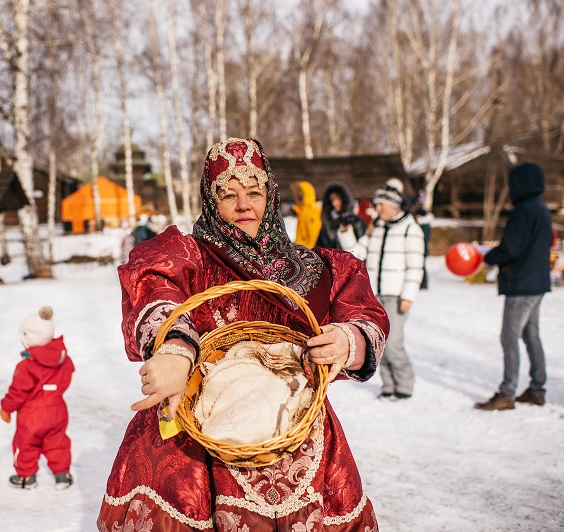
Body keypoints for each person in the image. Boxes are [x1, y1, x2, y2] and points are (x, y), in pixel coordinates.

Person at [98, 138, 389, 530]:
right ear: (209, 199)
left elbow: (365, 313)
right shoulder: (190, 256)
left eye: (254, 192)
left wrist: (347, 339)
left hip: (295, 427)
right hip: (197, 426)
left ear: (270, 195)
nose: (243, 205)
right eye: (227, 194)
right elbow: (155, 285)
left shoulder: (321, 266)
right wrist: (174, 349)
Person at [337, 178, 425, 400]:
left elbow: (416, 265)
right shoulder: (376, 227)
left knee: (394, 342)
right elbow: (357, 253)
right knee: (381, 341)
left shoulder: (410, 229)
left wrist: (408, 295)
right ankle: (388, 385)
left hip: (396, 295)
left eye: (379, 205)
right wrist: (346, 232)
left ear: (392, 205)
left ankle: (405, 385)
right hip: (374, 294)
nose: (376, 210)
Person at [475, 163, 552, 411]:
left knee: (509, 337)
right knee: (531, 336)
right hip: (537, 282)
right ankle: (537, 390)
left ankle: (507, 392)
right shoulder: (541, 208)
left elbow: (511, 247)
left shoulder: (524, 210)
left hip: (522, 285)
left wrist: (487, 257)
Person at [0, 306, 75, 490]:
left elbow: (18, 391)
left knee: (25, 443)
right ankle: (62, 475)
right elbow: (69, 372)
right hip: (57, 410)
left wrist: (6, 408)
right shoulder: (64, 359)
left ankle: (26, 477)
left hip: (32, 414)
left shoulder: (27, 366)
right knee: (57, 442)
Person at [315, 182, 367, 249]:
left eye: (338, 199)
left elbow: (361, 248)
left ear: (345, 199)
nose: (334, 203)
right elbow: (319, 246)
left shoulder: (356, 222)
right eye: (332, 200)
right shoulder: (327, 223)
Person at [290, 180, 321, 248]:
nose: (294, 197)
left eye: (296, 193)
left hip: (307, 253)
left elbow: (314, 237)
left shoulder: (311, 212)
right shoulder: (302, 211)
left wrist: (309, 254)